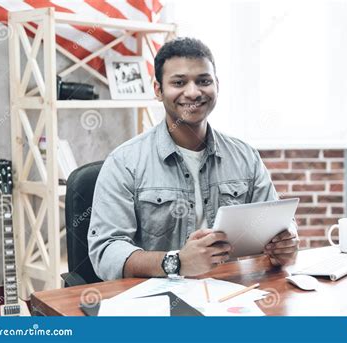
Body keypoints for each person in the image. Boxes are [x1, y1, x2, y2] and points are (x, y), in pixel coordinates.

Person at [88, 37, 300, 281]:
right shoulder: (124, 162)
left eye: (204, 81)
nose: (193, 92)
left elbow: (277, 224)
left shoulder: (245, 156)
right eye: (179, 82)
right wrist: (176, 262)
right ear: (158, 90)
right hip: (155, 303)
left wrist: (286, 244)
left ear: (216, 85)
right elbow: (106, 252)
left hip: (230, 296)